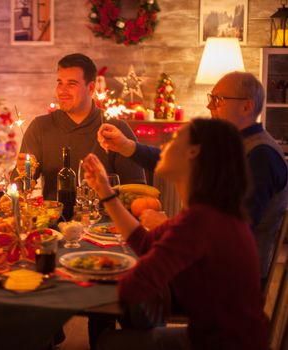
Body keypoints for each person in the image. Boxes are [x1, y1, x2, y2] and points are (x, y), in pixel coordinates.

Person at [83, 118, 269, 349]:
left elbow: (133, 288)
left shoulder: (201, 220)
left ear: (193, 152)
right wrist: (104, 191)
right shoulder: (208, 212)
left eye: (172, 140)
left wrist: (79, 277)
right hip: (229, 339)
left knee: (110, 342)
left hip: (222, 345)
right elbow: (144, 242)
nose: (162, 149)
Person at [98, 71, 288, 287]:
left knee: (126, 277)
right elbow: (175, 161)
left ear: (246, 107)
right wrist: (127, 146)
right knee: (120, 264)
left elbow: (232, 232)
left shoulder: (260, 155)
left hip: (229, 279)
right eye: (211, 98)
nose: (210, 107)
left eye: (218, 100)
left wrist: (169, 225)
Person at [15, 53, 145, 200]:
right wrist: (24, 175)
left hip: (105, 220)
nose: (62, 91)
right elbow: (21, 185)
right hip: (53, 220)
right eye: (59, 82)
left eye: (71, 84)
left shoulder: (116, 129)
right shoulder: (40, 126)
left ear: (90, 88)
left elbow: (137, 190)